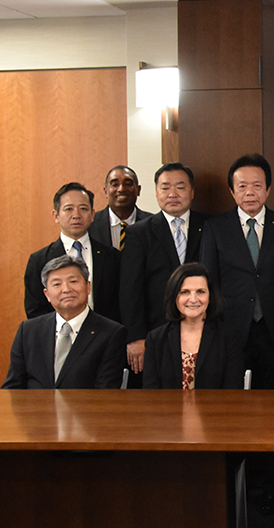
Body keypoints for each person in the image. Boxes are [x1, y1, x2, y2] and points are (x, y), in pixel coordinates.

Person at [201, 154, 274, 389]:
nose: (250, 193)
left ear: (268, 189)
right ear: (232, 191)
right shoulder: (215, 227)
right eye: (242, 186)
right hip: (232, 327)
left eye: (257, 186)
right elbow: (209, 279)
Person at [120, 162, 209, 382]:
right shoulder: (138, 233)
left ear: (192, 191)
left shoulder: (210, 226)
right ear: (156, 192)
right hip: (155, 332)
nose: (172, 194)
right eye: (165, 187)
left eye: (180, 187)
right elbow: (130, 289)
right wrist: (136, 337)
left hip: (203, 330)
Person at [4, 255, 126, 389]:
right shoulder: (28, 330)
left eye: (73, 281)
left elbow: (106, 391)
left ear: (88, 286)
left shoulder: (111, 333)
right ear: (47, 295)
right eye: (57, 284)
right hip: (35, 409)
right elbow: (13, 387)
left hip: (85, 409)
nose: (67, 289)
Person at [24, 182, 120, 321]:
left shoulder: (112, 257)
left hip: (106, 336)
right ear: (56, 215)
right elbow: (35, 310)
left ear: (92, 214)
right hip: (59, 337)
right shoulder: (39, 260)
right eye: (68, 209)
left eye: (83, 208)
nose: (76, 215)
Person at [143, 263, 243, 389]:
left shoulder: (229, 337)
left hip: (215, 408)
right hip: (167, 409)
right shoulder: (155, 339)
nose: (193, 299)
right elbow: (151, 393)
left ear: (210, 296)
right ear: (174, 296)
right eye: (185, 292)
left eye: (200, 292)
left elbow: (232, 391)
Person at [91, 165, 152, 250]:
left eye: (128, 184)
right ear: (106, 191)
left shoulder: (153, 225)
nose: (121, 189)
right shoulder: (90, 224)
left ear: (138, 190)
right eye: (115, 184)